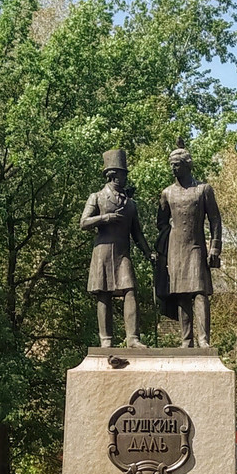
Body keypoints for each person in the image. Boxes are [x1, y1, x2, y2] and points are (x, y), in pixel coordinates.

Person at [81, 149, 154, 348]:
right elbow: (83, 222)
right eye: (123, 174)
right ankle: (106, 340)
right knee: (103, 293)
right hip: (103, 253)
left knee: (130, 290)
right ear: (113, 175)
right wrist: (105, 218)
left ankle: (133, 339)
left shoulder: (130, 204)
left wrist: (148, 253)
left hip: (123, 254)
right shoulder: (96, 197)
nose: (125, 178)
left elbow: (137, 233)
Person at [155, 144, 222, 348]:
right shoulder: (167, 193)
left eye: (176, 165)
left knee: (200, 292)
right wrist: (166, 244)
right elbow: (161, 222)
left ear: (186, 165)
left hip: (196, 246)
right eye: (171, 165)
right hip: (176, 249)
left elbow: (215, 220)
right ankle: (186, 340)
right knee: (181, 294)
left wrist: (215, 248)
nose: (173, 169)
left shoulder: (203, 190)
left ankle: (203, 339)